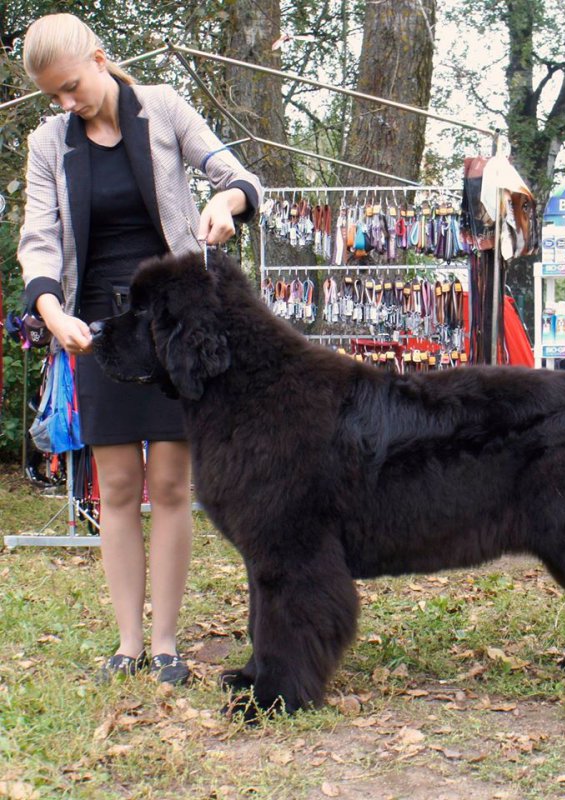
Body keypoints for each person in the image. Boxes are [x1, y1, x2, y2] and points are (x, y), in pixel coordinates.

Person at [18, 14, 262, 684]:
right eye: (54, 97)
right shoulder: (48, 143)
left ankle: (165, 645)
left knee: (172, 485)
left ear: (98, 59)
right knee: (117, 486)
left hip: (173, 325)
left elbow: (233, 173)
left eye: (72, 87)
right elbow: (38, 237)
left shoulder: (162, 108)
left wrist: (227, 202)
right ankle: (126, 645)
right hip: (95, 328)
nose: (67, 104)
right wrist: (50, 309)